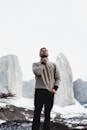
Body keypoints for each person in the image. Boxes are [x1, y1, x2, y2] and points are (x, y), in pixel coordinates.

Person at [32, 47, 61, 130]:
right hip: (39, 91)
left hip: (50, 92)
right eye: (42, 50)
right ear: (39, 53)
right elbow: (37, 72)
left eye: (45, 50)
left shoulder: (54, 65)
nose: (44, 51)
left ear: (48, 53)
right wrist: (42, 64)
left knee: (47, 114)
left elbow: (58, 78)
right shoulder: (35, 64)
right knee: (37, 113)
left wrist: (55, 88)